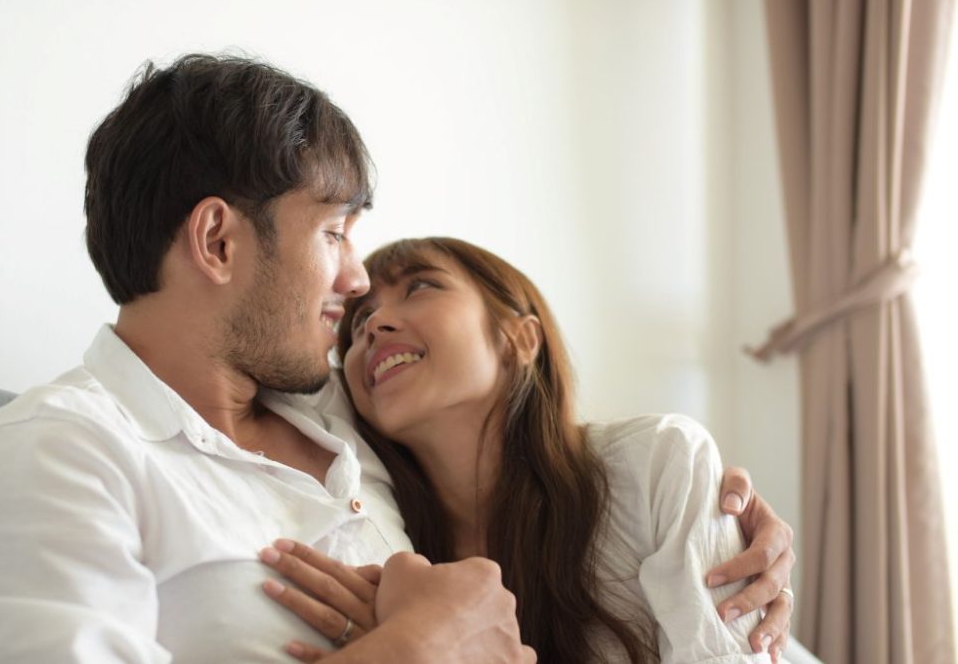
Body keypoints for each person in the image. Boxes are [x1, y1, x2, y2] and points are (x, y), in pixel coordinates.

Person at [0, 54, 789, 662]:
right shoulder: (57, 452)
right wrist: (422, 645)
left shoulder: (348, 425)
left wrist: (722, 516)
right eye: (335, 233)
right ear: (218, 241)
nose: (355, 286)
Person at [258, 237, 796, 663]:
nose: (374, 324)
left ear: (520, 338)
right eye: (357, 323)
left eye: (420, 286)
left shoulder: (658, 463)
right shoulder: (387, 549)